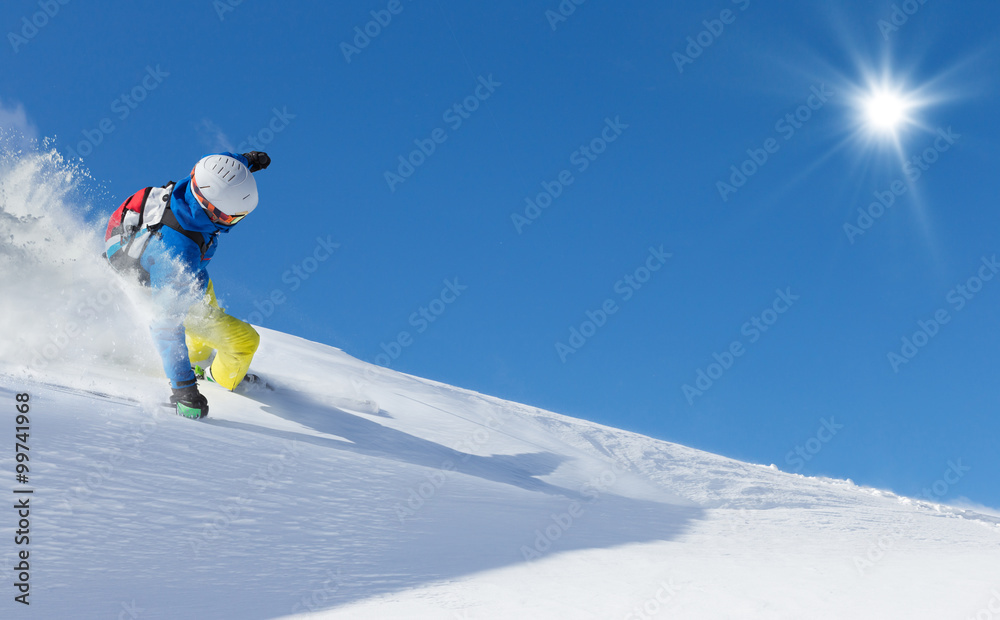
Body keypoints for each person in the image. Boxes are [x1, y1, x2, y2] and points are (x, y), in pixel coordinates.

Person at [103, 151, 271, 419]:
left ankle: (198, 358)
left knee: (203, 287)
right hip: (155, 279)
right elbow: (165, 325)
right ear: (213, 209)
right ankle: (218, 379)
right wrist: (183, 390)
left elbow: (225, 166)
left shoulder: (201, 180)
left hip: (144, 245)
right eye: (232, 217)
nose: (234, 222)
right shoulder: (177, 256)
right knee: (245, 342)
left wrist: (249, 160)